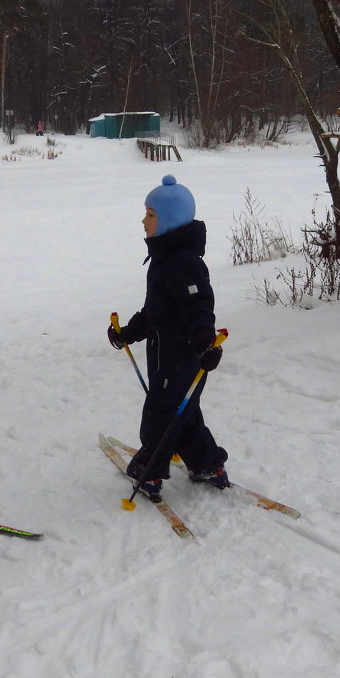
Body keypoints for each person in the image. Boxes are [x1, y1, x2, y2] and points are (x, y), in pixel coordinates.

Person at [107, 175, 228, 501]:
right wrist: (129, 333)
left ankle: (149, 472)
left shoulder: (182, 263)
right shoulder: (165, 260)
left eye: (150, 214)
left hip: (182, 358)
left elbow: (198, 306)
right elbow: (156, 312)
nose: (143, 220)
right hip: (169, 357)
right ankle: (208, 465)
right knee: (184, 415)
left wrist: (206, 342)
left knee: (159, 419)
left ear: (169, 220)